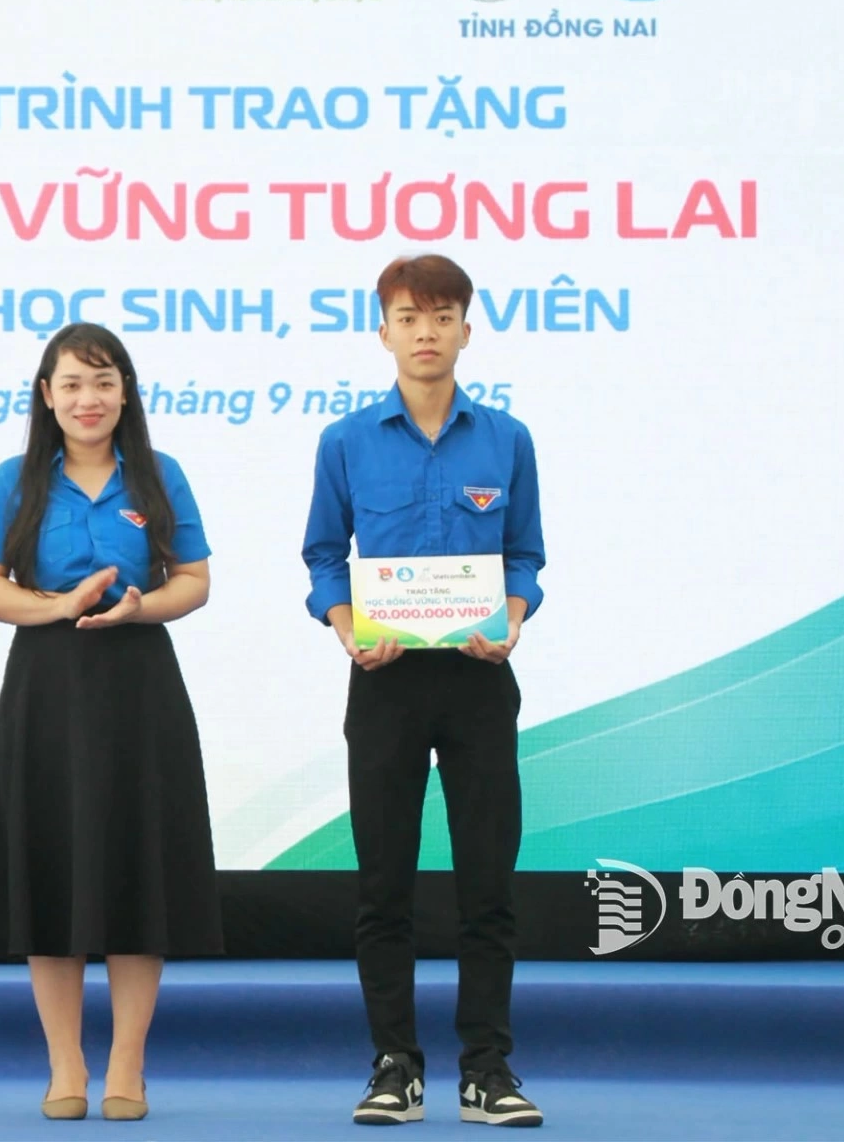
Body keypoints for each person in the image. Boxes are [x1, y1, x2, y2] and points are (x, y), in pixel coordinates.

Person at [301, 254, 547, 1128]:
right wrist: (348, 628)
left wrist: (512, 617)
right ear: (384, 332)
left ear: (467, 330)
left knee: (488, 883)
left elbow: (524, 554)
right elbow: (325, 557)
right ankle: (394, 1065)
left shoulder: (507, 438)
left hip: (481, 679)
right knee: (384, 885)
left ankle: (487, 1069)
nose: (426, 333)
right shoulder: (347, 440)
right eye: (408, 318)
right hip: (387, 683)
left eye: (443, 318)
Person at [0, 322, 224, 1123]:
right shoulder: (17, 478)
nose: (87, 399)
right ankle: (65, 1064)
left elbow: (197, 581)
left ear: (125, 393)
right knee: (52, 868)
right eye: (71, 384)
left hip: (139, 682)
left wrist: (144, 607)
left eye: (103, 382)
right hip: (46, 684)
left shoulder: (158, 474)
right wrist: (58, 605)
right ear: (47, 395)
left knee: (138, 867)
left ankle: (128, 1068)